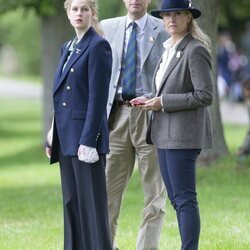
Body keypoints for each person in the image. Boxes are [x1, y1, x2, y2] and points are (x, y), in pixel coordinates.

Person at [131, 0, 214, 249]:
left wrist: (163, 102)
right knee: (178, 200)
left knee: (185, 199)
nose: (171, 19)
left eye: (178, 14)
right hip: (164, 135)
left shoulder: (195, 49)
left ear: (189, 17)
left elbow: (204, 95)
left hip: (183, 135)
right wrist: (150, 99)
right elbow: (166, 88)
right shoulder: (168, 48)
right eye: (167, 15)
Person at [45, 0, 112, 249]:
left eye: (85, 9)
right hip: (66, 137)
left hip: (86, 140)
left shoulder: (99, 46)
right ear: (68, 13)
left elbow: (98, 98)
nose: (79, 13)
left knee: (91, 207)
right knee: (71, 203)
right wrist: (52, 133)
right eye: (75, 9)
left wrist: (89, 141)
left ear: (93, 13)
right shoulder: (67, 47)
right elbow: (60, 96)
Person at [100, 1, 168, 249]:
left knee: (155, 194)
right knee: (107, 192)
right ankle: (105, 244)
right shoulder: (106, 28)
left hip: (151, 117)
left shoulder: (164, 28)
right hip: (116, 116)